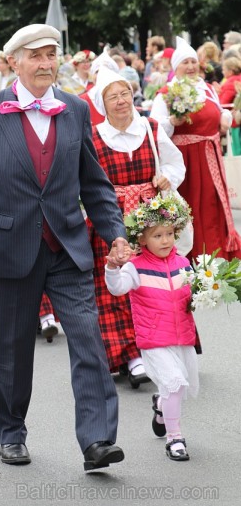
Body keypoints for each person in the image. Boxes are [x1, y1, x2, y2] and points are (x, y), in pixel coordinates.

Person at [0, 23, 130, 472]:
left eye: (52, 55)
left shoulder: (75, 109)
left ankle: (98, 440)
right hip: (10, 246)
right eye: (37, 56)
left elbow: (95, 183)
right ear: (14, 62)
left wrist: (115, 234)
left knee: (88, 340)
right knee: (10, 349)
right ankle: (11, 433)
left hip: (68, 247)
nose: (47, 63)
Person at [85, 66, 186, 386]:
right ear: (102, 104)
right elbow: (82, 180)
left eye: (125, 93)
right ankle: (128, 353)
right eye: (112, 96)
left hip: (151, 219)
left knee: (154, 283)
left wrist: (167, 177)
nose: (121, 100)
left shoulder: (151, 128)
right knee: (113, 287)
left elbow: (175, 162)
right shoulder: (94, 137)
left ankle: (160, 347)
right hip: (109, 218)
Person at [105, 192, 198, 461]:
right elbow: (117, 288)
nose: (165, 240)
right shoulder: (136, 267)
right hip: (154, 340)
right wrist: (112, 268)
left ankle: (160, 405)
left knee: (174, 388)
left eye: (169, 233)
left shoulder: (183, 264)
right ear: (142, 239)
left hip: (182, 338)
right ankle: (175, 439)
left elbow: (192, 295)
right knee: (175, 384)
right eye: (157, 235)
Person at [150, 36, 241, 260]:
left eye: (193, 62)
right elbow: (154, 130)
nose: (190, 67)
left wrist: (224, 117)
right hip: (187, 164)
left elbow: (220, 110)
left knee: (213, 210)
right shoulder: (166, 94)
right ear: (176, 67)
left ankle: (219, 263)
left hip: (211, 160)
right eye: (185, 63)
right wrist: (171, 122)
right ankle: (193, 265)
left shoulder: (207, 88)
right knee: (191, 213)